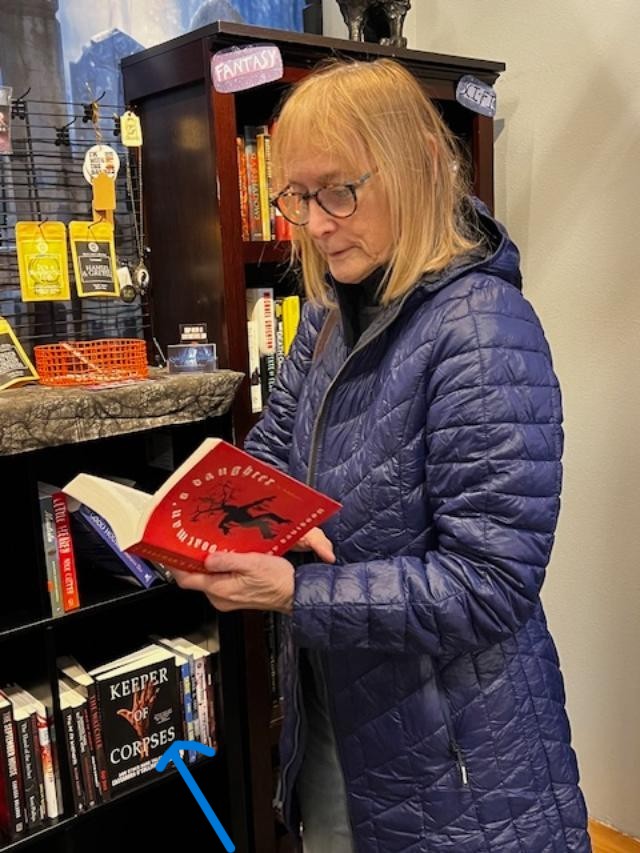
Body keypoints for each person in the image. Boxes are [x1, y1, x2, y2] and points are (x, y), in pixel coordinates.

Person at [171, 58, 590, 852]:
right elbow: (271, 461)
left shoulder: (483, 328)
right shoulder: (327, 318)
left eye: (339, 190)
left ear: (417, 168)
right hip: (339, 717)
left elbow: (490, 584)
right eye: (297, 196)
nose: (317, 223)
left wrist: (296, 590)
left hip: (458, 759)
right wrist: (201, 524)